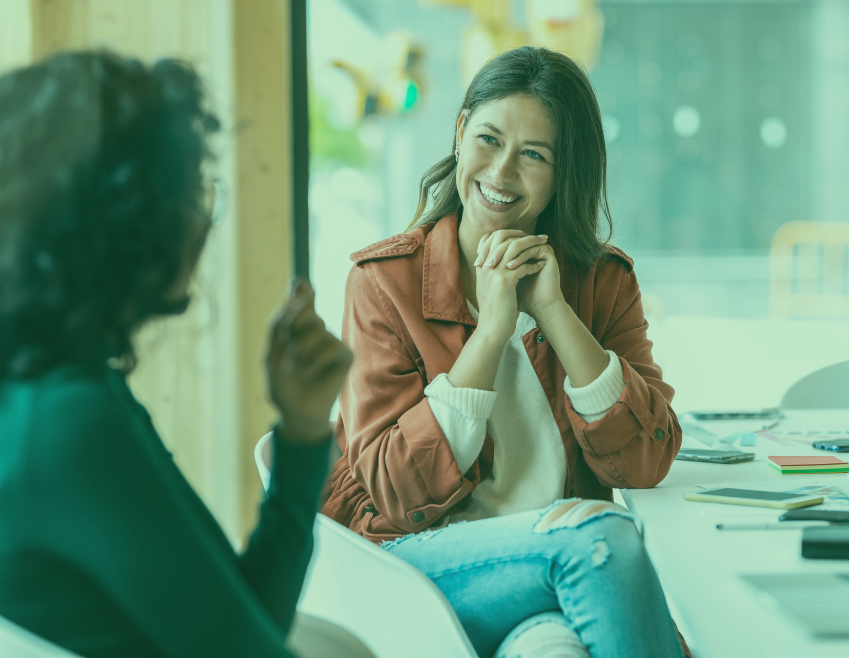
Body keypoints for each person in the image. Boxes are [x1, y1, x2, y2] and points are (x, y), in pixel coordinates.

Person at [322, 46, 692, 658]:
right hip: (423, 566)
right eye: (489, 140)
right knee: (602, 537)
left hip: (550, 579)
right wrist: (491, 333)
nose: (501, 172)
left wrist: (553, 311)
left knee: (550, 647)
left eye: (534, 155)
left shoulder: (602, 283)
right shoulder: (383, 282)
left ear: (563, 171)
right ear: (462, 131)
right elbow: (395, 492)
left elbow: (645, 464)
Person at [0, 52, 371, 658]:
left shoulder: (49, 391)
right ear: (126, 219)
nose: (204, 219)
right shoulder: (69, 423)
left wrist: (303, 432)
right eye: (193, 189)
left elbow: (248, 619)